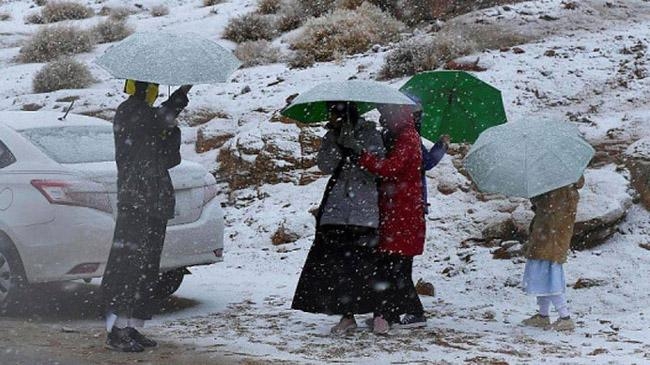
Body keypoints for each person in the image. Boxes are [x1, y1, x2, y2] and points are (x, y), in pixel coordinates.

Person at [101, 80, 192, 352]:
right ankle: (115, 329)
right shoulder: (130, 111)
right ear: (140, 88)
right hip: (136, 201)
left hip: (156, 201)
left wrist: (171, 133)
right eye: (150, 87)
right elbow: (156, 120)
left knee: (147, 269)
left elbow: (170, 160)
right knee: (128, 266)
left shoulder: (151, 120)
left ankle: (132, 326)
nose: (153, 91)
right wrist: (177, 100)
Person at [291, 101, 385, 336]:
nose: (331, 117)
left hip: (363, 211)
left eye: (334, 113)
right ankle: (347, 315)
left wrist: (357, 148)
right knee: (338, 269)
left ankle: (379, 313)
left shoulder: (370, 133)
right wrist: (336, 143)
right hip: (336, 210)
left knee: (367, 266)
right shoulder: (330, 136)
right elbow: (325, 166)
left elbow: (377, 167)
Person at [342, 104, 426, 334]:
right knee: (395, 266)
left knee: (396, 267)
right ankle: (390, 314)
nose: (382, 119)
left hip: (401, 213)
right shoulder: (402, 136)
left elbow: (391, 168)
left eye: (385, 115)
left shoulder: (407, 137)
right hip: (400, 212)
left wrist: (363, 157)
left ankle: (415, 312)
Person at [520, 176, 585, 332]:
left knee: (550, 278)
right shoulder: (567, 185)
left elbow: (548, 207)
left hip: (550, 238)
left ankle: (565, 317)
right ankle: (543, 315)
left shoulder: (560, 187)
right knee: (543, 278)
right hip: (548, 237)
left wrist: (536, 196)